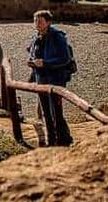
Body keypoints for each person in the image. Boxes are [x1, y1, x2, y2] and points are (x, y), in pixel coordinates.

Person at [27, 10, 73, 146]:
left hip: (56, 79)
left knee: (56, 113)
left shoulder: (57, 37)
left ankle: (63, 140)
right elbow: (32, 53)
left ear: (48, 22)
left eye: (40, 21)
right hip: (41, 79)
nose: (37, 24)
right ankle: (51, 140)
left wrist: (45, 63)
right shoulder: (36, 37)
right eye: (35, 21)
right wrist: (32, 62)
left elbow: (65, 58)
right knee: (46, 112)